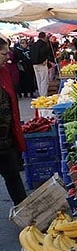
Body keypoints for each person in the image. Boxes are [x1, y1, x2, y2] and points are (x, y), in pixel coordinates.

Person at [0, 34, 28, 205]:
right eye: (4, 54)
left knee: (13, 178)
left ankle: (26, 217)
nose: (8, 56)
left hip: (5, 141)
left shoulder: (4, 73)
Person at [30, 32, 51, 97]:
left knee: (38, 80)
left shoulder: (34, 44)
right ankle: (43, 95)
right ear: (44, 37)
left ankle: (40, 93)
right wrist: (44, 60)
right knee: (44, 80)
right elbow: (43, 52)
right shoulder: (43, 44)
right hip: (42, 64)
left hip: (34, 64)